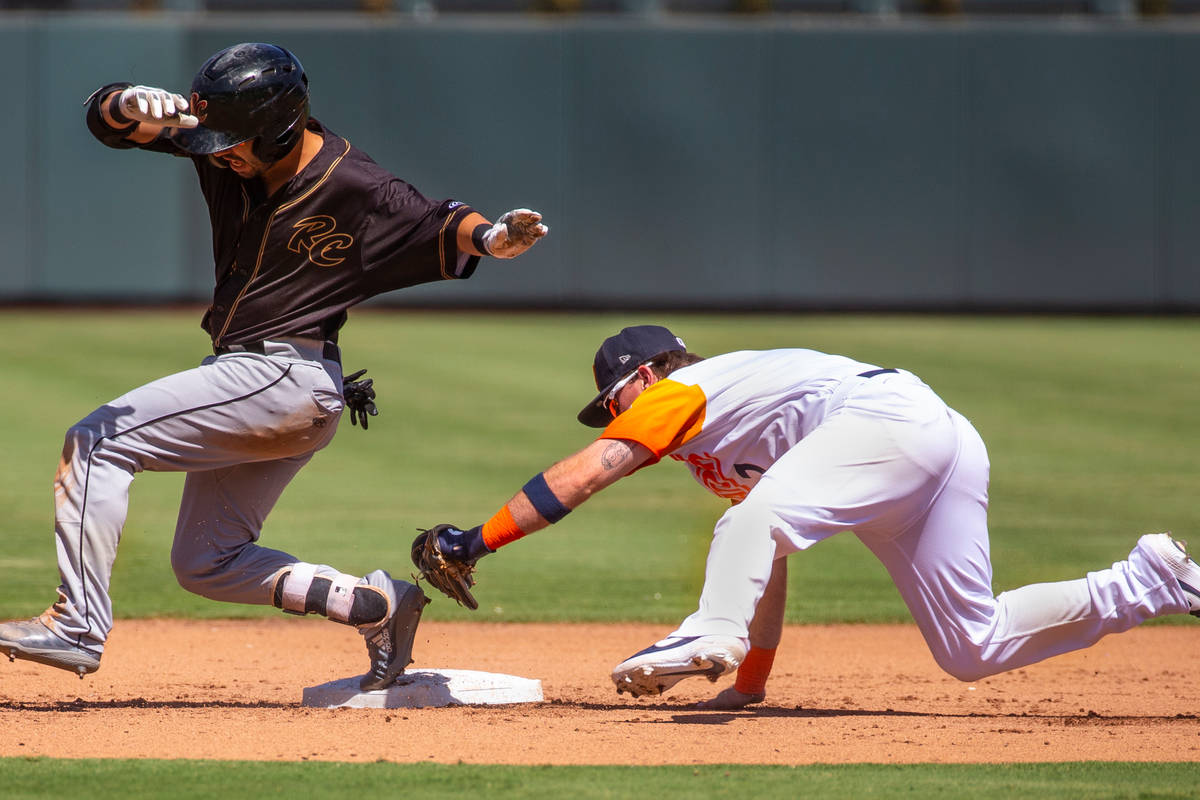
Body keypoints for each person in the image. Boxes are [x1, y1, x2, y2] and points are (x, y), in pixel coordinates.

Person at [0, 43, 547, 690]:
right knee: (205, 562)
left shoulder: (356, 184)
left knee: (96, 442)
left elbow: (444, 222)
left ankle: (76, 626)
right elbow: (115, 121)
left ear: (281, 129)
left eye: (232, 140)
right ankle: (374, 604)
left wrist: (494, 239)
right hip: (279, 390)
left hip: (283, 378)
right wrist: (123, 102)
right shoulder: (221, 137)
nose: (217, 151)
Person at [418, 324, 1199, 707]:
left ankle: (705, 631)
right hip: (939, 444)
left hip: (891, 424)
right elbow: (770, 558)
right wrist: (749, 681)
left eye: (614, 398)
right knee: (971, 646)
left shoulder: (683, 394)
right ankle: (1145, 583)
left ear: (646, 376)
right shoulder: (715, 447)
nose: (614, 415)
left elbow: (593, 470)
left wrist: (473, 540)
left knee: (747, 522)